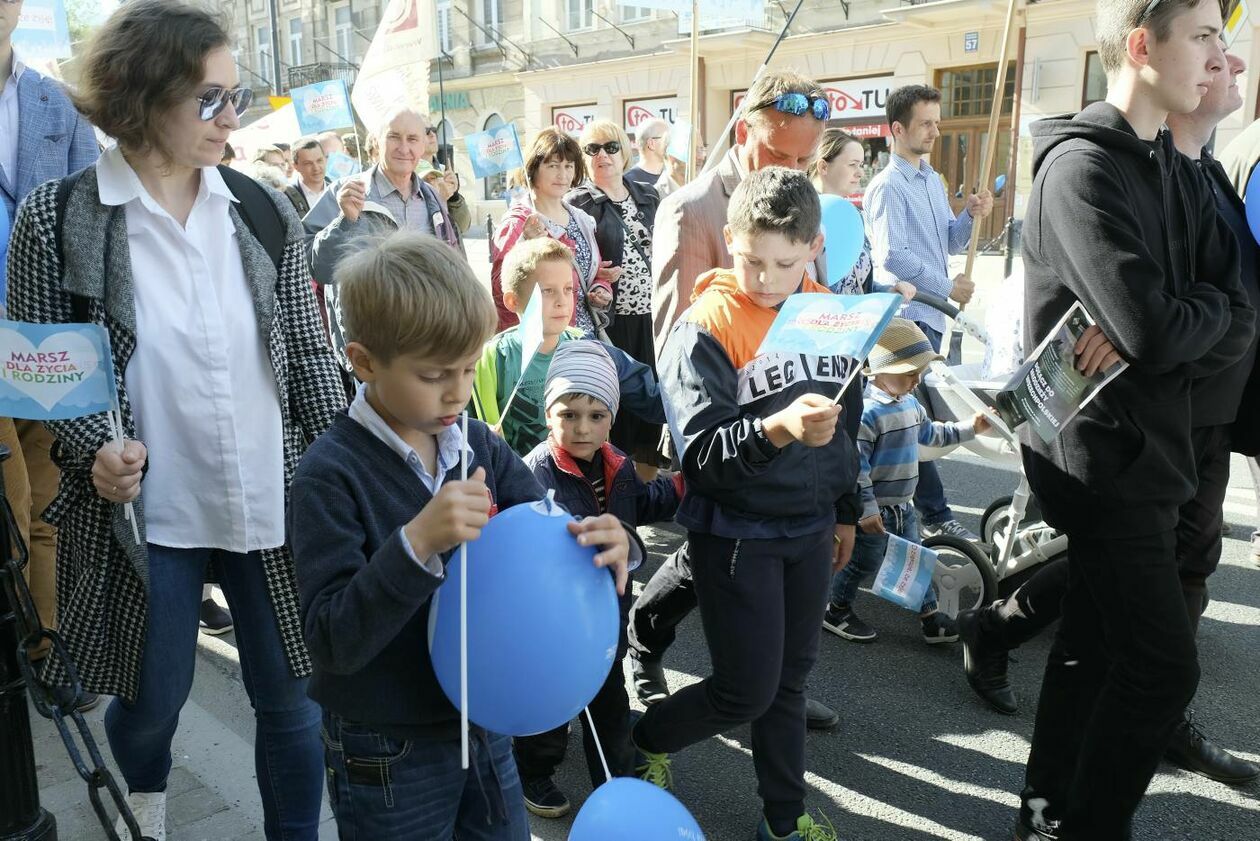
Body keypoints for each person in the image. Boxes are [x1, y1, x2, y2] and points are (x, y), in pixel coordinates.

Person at [5, 3, 349, 839]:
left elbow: (309, 357)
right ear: (140, 95)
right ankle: (147, 792)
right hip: (145, 515)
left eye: (236, 97)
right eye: (209, 99)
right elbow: (46, 372)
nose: (232, 117)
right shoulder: (58, 217)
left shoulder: (262, 210)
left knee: (293, 705)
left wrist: (345, 467)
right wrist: (96, 454)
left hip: (272, 499)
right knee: (150, 701)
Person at [959, 45, 1260, 790]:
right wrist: (1183, 322)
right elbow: (1154, 321)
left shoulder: (1207, 171)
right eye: (1208, 51)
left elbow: (1227, 308)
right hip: (1154, 428)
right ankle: (1009, 650)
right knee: (1138, 629)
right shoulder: (1100, 169)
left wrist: (1188, 320)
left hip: (1205, 419)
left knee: (1139, 601)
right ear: (1148, 55)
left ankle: (1070, 782)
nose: (1230, 66)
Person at [288, 230, 633, 840]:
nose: (458, 391)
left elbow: (547, 539)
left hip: (485, 718)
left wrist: (604, 542)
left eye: (469, 368)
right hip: (389, 745)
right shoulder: (329, 473)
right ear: (363, 361)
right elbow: (331, 639)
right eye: (434, 374)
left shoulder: (478, 444)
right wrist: (416, 544)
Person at [632, 167, 858, 841]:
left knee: (788, 683)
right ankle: (642, 736)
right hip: (738, 533)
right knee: (745, 691)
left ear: (814, 247)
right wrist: (779, 426)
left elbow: (851, 416)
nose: (766, 277)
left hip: (812, 528)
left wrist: (848, 503)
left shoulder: (825, 308)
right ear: (729, 238)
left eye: (785, 262)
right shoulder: (703, 326)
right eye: (752, 259)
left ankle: (783, 822)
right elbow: (699, 457)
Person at [632, 69, 844, 731]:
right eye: (779, 154)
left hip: (790, 449)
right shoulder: (694, 207)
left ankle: (775, 681)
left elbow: (811, 299)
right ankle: (645, 637)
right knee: (708, 549)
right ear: (745, 126)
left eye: (803, 158)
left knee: (725, 571)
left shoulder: (800, 206)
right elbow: (672, 334)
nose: (793, 168)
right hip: (724, 426)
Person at [513, 340, 682, 819]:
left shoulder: (619, 464)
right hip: (553, 623)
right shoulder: (533, 474)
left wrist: (680, 486)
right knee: (549, 707)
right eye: (568, 414)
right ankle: (533, 769)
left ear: (612, 418)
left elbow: (640, 505)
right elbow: (543, 547)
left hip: (607, 618)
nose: (581, 428)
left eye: (596, 414)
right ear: (548, 415)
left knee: (609, 703)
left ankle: (615, 785)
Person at [0, 0, 100, 700]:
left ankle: (47, 647)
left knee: (47, 498)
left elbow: (90, 213)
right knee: (8, 500)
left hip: (40, 330)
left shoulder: (56, 103)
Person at [865, 84, 994, 543]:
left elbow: (950, 242)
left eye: (937, 122)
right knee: (909, 420)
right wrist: (947, 287)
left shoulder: (933, 181)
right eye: (926, 123)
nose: (935, 131)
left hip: (932, 316)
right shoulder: (886, 186)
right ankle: (935, 514)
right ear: (897, 129)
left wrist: (970, 216)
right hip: (905, 318)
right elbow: (892, 255)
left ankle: (895, 508)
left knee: (908, 423)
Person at [824, 319, 988, 645]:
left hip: (904, 505)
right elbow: (858, 467)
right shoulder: (868, 413)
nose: (917, 380)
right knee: (863, 562)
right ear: (879, 372)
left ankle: (930, 618)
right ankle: (836, 608)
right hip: (874, 510)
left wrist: (970, 427)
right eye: (909, 372)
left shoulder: (911, 404)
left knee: (915, 559)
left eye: (919, 372)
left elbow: (932, 434)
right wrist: (866, 509)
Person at [470, 237, 663, 458]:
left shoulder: (590, 349)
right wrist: (480, 441)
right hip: (520, 487)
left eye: (568, 289)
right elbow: (461, 431)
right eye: (547, 291)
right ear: (513, 301)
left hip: (583, 483)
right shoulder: (490, 361)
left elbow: (652, 397)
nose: (562, 301)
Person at [568, 120, 663, 472]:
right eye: (592, 149)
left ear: (624, 151)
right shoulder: (578, 204)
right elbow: (574, 263)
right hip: (611, 323)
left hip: (654, 320)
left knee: (653, 404)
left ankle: (645, 490)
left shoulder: (648, 195)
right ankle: (615, 488)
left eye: (610, 146)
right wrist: (596, 279)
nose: (603, 155)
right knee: (615, 405)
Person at [306, 107, 463, 289]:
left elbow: (455, 263)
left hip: (428, 316)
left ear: (422, 147)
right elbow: (316, 268)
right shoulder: (344, 193)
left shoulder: (433, 197)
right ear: (377, 142)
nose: (404, 148)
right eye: (394, 137)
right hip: (366, 316)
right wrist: (344, 222)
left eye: (412, 139)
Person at [490, 127, 614, 335]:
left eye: (569, 166)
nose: (562, 175)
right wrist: (523, 243)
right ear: (534, 169)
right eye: (553, 166)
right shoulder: (520, 222)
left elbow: (592, 271)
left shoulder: (580, 218)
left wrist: (601, 287)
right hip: (542, 342)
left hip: (583, 336)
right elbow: (500, 289)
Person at [809, 128, 917, 300]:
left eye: (860, 165)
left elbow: (860, 285)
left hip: (857, 323)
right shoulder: (802, 218)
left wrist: (889, 291)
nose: (860, 172)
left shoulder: (854, 217)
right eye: (852, 165)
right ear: (823, 166)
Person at [284, 136, 328, 217]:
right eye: (308, 163)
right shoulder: (286, 197)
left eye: (319, 160)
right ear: (295, 166)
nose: (316, 168)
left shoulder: (339, 190)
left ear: (325, 160)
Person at [625, 116, 669, 187]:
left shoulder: (672, 177)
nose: (670, 142)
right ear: (651, 143)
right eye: (667, 138)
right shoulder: (629, 183)